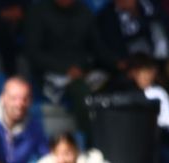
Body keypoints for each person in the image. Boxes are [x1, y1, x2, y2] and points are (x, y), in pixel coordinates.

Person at [22, 0, 112, 131]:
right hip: (51, 76)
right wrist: (65, 69)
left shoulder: (84, 11)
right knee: (81, 91)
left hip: (84, 72)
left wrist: (118, 64)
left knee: (114, 85)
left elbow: (97, 48)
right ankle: (92, 141)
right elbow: (33, 53)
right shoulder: (38, 12)